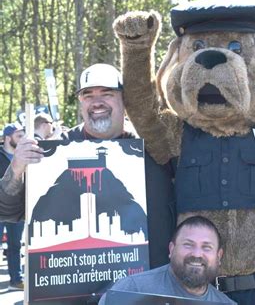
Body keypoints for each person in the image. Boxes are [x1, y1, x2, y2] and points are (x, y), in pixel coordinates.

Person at [0, 63, 176, 271]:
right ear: (81, 102)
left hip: (149, 286)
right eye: (88, 95)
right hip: (75, 285)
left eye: (107, 93)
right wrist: (17, 168)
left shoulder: (155, 147)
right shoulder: (56, 151)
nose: (97, 102)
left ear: (125, 100)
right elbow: (7, 211)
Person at [98, 216, 236, 305]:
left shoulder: (226, 304)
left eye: (206, 247)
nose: (197, 254)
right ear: (171, 249)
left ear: (219, 256)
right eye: (188, 244)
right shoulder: (133, 289)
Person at [0, 123, 26, 290]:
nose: (22, 138)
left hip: (17, 209)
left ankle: (15, 280)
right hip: (1, 207)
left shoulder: (24, 156)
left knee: (15, 245)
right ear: (8, 138)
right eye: (19, 135)